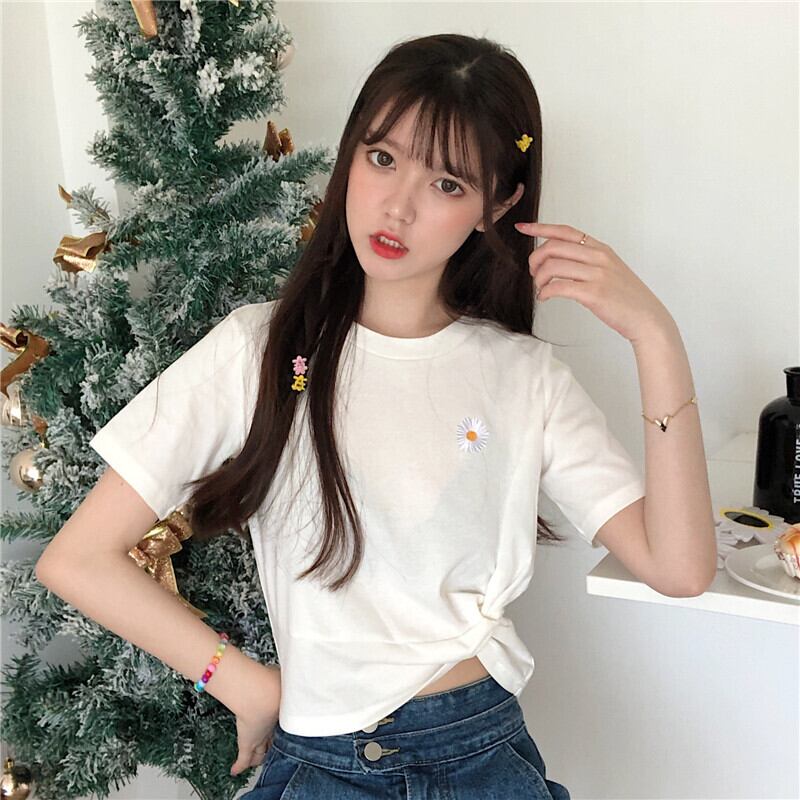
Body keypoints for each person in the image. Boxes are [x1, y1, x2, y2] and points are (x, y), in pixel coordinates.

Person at [36, 32, 710, 800]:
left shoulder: (524, 378)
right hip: (323, 763)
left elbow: (680, 567)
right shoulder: (260, 351)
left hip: (480, 756)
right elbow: (77, 559)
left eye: (447, 183)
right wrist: (243, 683)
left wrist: (655, 336)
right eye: (382, 158)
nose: (398, 206)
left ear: (498, 204)